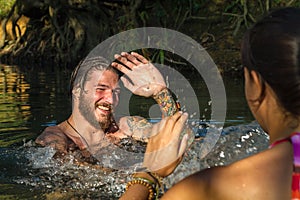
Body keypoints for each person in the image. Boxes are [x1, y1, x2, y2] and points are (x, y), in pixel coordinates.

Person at [120, 7, 300, 200]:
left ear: (256, 85)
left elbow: (176, 139)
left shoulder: (210, 189)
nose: (106, 97)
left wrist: (149, 174)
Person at [35, 51, 184, 164]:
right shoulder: (56, 138)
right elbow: (60, 177)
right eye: (101, 88)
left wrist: (160, 92)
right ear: (77, 91)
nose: (111, 99)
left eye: (116, 92)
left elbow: (178, 140)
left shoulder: (126, 128)